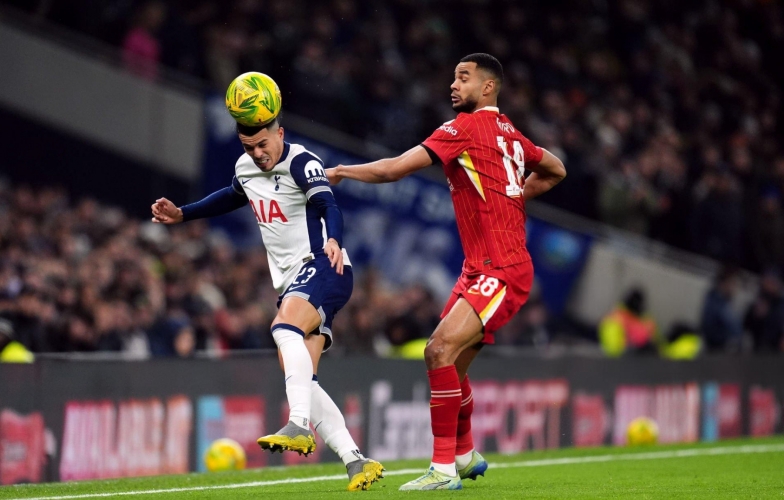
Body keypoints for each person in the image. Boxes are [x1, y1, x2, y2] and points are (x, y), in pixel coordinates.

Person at [328, 53, 566, 491]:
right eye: (452, 76)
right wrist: (515, 197)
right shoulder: (511, 133)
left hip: (501, 269)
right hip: (479, 269)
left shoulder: (463, 129)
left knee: (437, 351)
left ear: (488, 86)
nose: (453, 85)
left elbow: (393, 170)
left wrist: (341, 171)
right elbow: (555, 169)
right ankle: (465, 454)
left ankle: (442, 472)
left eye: (463, 77)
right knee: (451, 367)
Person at [150, 117, 384, 491]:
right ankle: (356, 461)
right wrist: (183, 213)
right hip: (294, 280)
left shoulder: (302, 162)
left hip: (324, 265)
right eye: (248, 147)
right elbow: (231, 195)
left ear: (280, 134)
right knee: (302, 374)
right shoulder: (246, 167)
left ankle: (299, 425)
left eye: (263, 144)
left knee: (283, 328)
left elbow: (328, 205)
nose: (257, 154)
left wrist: (335, 239)